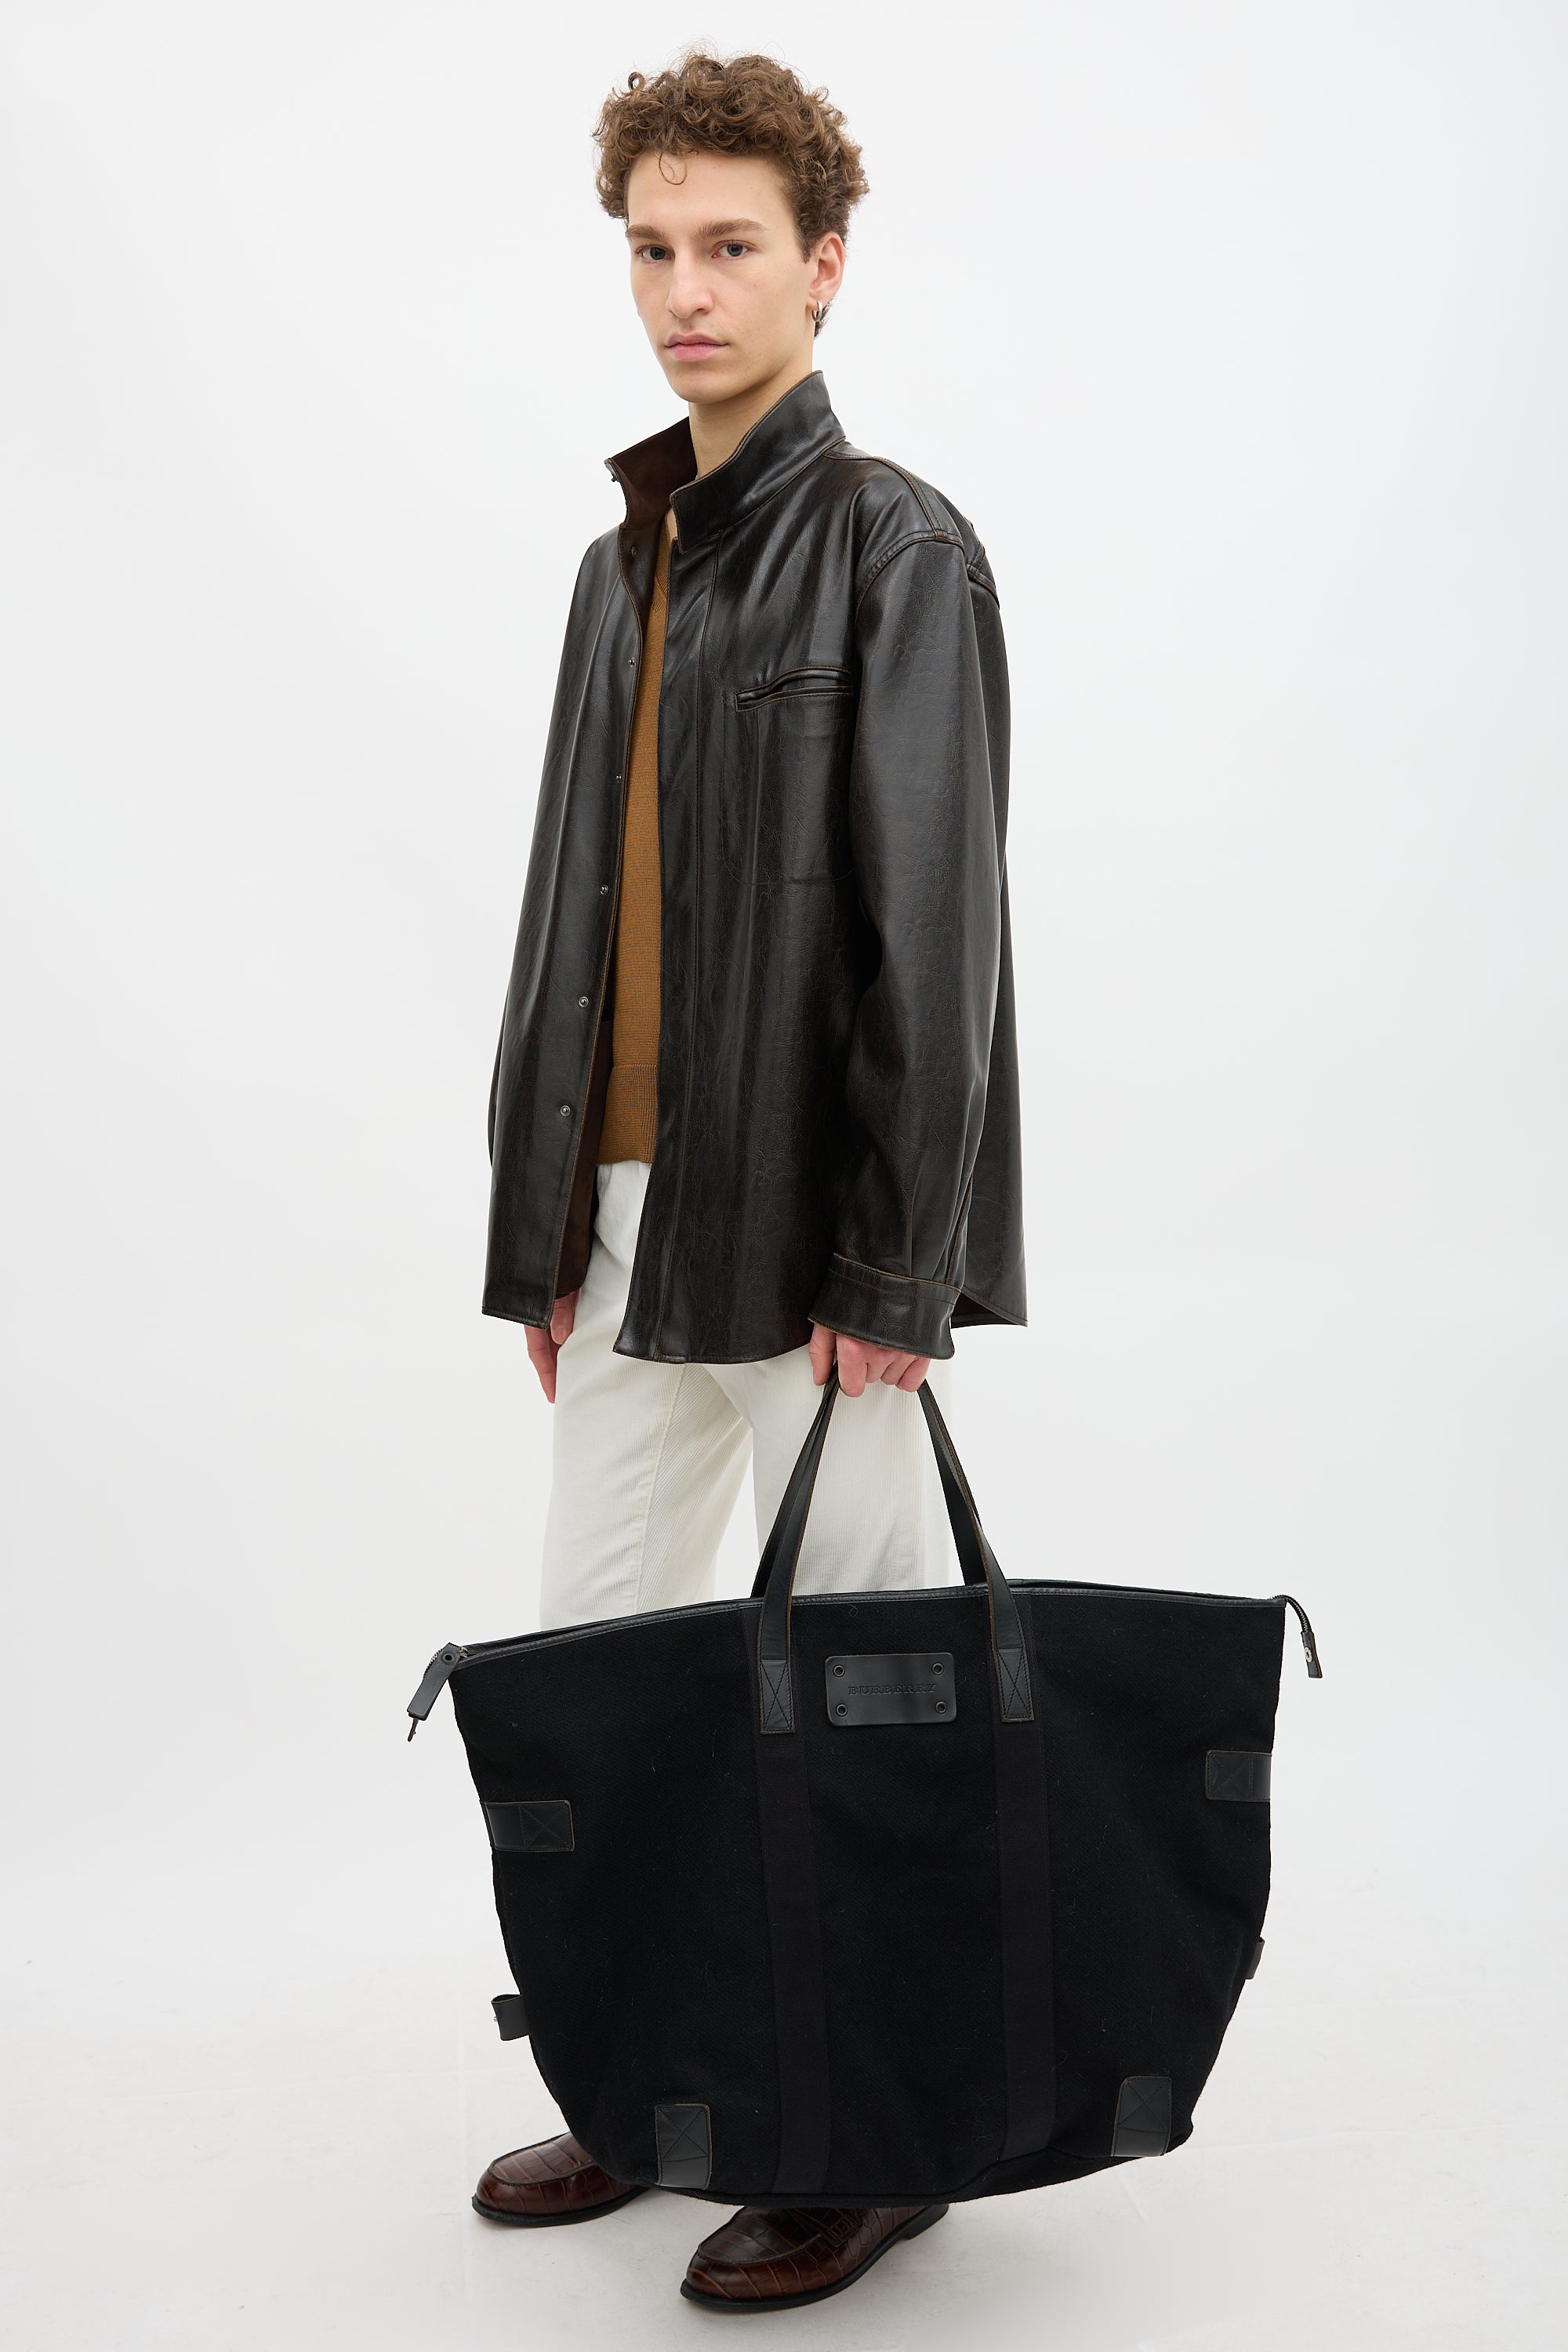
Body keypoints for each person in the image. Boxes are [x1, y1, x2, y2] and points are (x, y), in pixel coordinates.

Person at [474, 49, 1025, 2312]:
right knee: (600, 1675)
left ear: (824, 263)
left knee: (870, 1683)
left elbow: (935, 935)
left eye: (730, 246)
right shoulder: (621, 569)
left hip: (816, 1248)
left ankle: (884, 2132)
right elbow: (564, 923)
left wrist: (897, 1262)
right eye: (652, 247)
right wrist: (539, 1232)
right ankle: (656, 2077)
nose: (684, 290)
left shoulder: (897, 546)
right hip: (622, 1235)